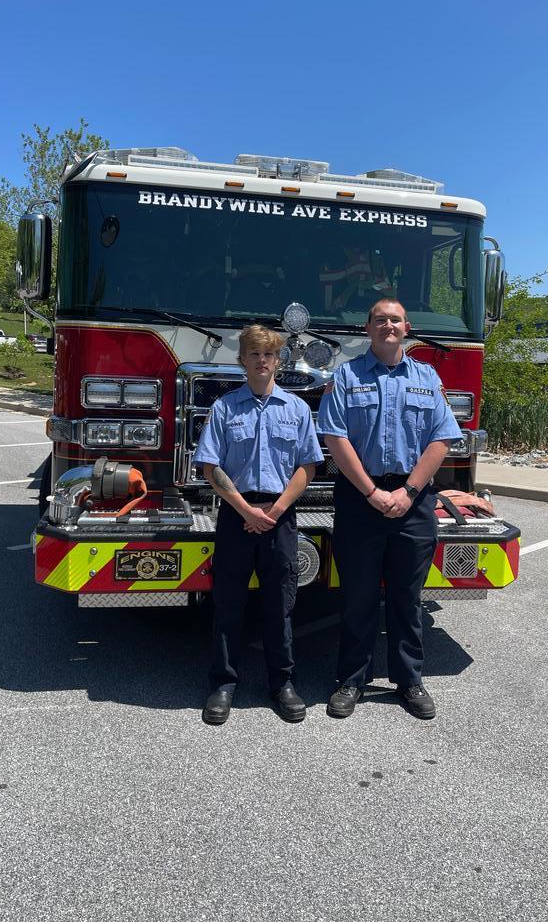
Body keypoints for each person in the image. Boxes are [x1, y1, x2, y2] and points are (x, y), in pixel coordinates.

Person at [317, 299, 462, 720]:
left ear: (407, 327)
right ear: (368, 329)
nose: (387, 325)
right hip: (361, 498)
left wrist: (409, 491)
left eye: (394, 320)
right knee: (358, 596)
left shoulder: (426, 377)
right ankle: (351, 680)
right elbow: (334, 437)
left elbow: (441, 438)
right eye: (379, 320)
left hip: (413, 499)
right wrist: (371, 493)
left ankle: (410, 680)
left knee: (407, 596)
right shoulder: (345, 376)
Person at [193, 325, 324, 725]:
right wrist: (246, 511)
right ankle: (223, 684)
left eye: (269, 355)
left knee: (279, 605)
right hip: (236, 515)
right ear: (243, 361)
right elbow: (209, 466)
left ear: (279, 361)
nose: (262, 361)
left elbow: (308, 466)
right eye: (254, 354)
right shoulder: (224, 408)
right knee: (228, 604)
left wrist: (275, 510)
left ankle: (282, 683)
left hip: (280, 517)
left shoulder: (297, 410)